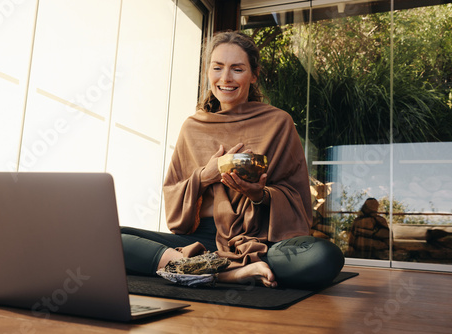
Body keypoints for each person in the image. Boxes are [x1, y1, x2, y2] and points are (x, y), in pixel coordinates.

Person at [121, 31, 344, 289]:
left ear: (254, 74)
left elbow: (296, 197)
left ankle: (190, 267)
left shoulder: (278, 123)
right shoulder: (192, 127)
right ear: (208, 72)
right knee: (108, 237)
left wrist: (259, 195)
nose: (225, 78)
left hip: (259, 239)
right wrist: (207, 175)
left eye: (237, 69)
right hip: (201, 238)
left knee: (324, 256)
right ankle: (228, 273)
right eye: (217, 68)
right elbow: (173, 196)